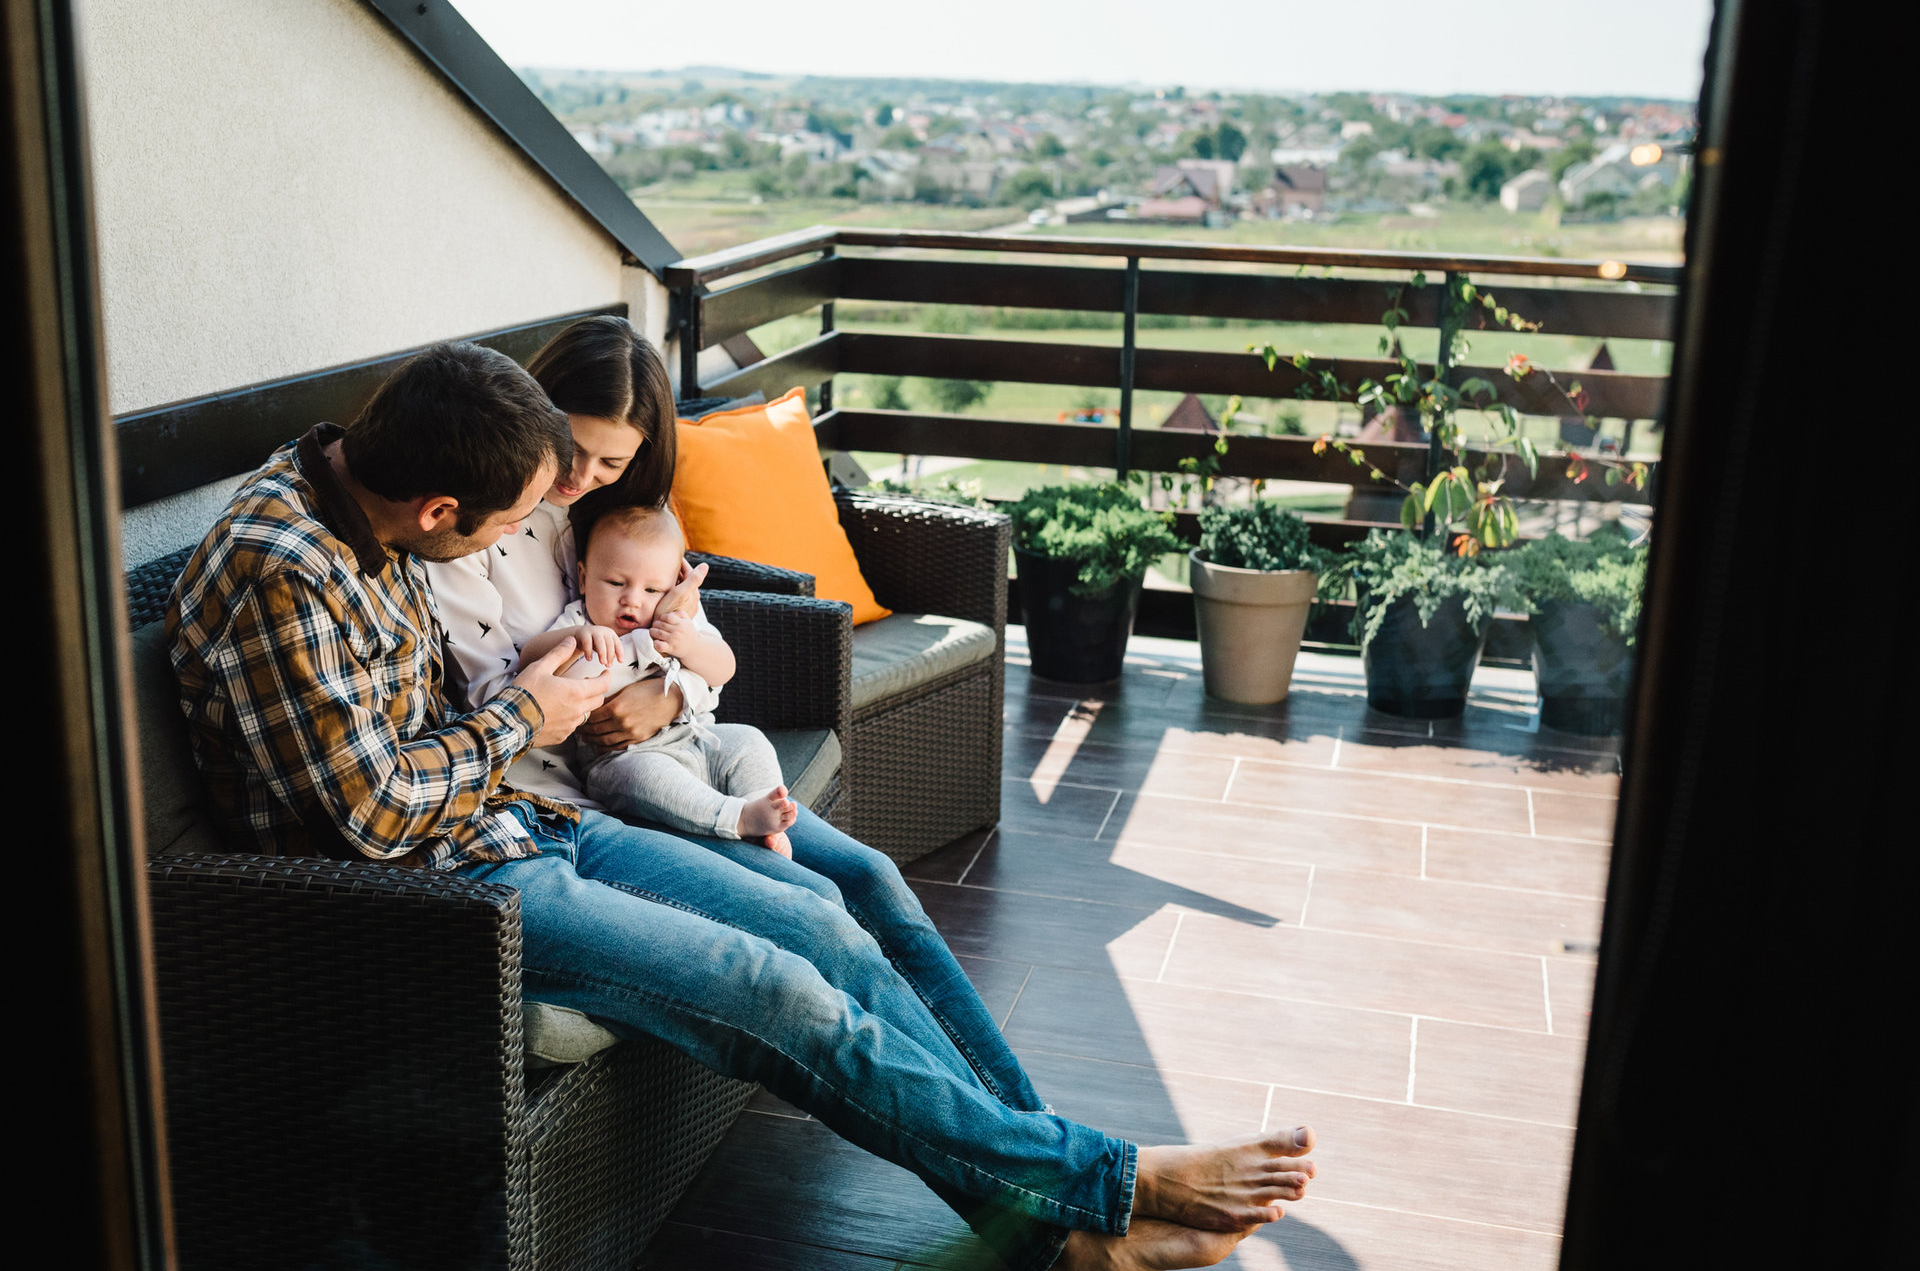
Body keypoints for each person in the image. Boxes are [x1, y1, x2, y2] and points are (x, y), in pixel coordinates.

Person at [170, 336, 1316, 1271]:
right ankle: (1100, 1183)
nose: (532, 527)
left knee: (827, 917)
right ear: (436, 511)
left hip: (527, 823)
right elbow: (372, 815)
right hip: (446, 896)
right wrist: (529, 713)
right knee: (778, 986)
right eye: (503, 517)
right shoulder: (287, 569)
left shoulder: (344, 473)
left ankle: (1061, 1231)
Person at [517, 503, 799, 854]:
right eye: (616, 582)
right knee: (644, 777)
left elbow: (724, 668)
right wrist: (576, 639)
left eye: (652, 591)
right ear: (585, 577)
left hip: (695, 738)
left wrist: (691, 645)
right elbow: (529, 658)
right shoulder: (579, 620)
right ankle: (736, 818)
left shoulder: (675, 620)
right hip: (620, 758)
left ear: (673, 586)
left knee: (747, 740)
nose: (632, 601)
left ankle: (762, 809)